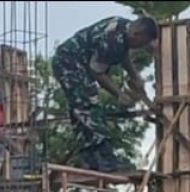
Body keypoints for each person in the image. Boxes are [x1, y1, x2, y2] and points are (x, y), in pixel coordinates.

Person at [51, 15, 158, 173]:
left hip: (76, 62)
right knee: (89, 106)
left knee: (80, 110)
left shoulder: (123, 25)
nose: (140, 47)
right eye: (141, 44)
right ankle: (106, 160)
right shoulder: (112, 41)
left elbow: (123, 54)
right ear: (137, 35)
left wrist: (134, 75)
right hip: (69, 63)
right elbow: (97, 72)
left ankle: (90, 159)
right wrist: (119, 94)